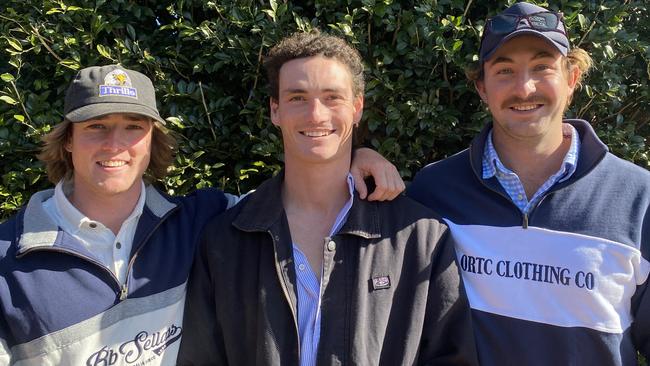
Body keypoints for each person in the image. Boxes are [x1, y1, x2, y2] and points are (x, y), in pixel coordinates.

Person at [0, 64, 403, 365]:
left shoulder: (198, 221)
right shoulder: (8, 258)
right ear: (67, 140)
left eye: (133, 127)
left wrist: (353, 157)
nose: (115, 145)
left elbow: (303, 196)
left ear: (152, 141)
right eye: (96, 127)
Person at [178, 30, 477, 366]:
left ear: (357, 108)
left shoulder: (418, 237)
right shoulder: (225, 239)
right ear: (275, 110)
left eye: (332, 97)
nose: (316, 114)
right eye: (297, 98)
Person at [407, 2, 650, 365]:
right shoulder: (434, 191)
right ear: (482, 87)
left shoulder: (639, 198)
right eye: (504, 71)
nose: (524, 88)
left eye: (542, 67)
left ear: (572, 79)